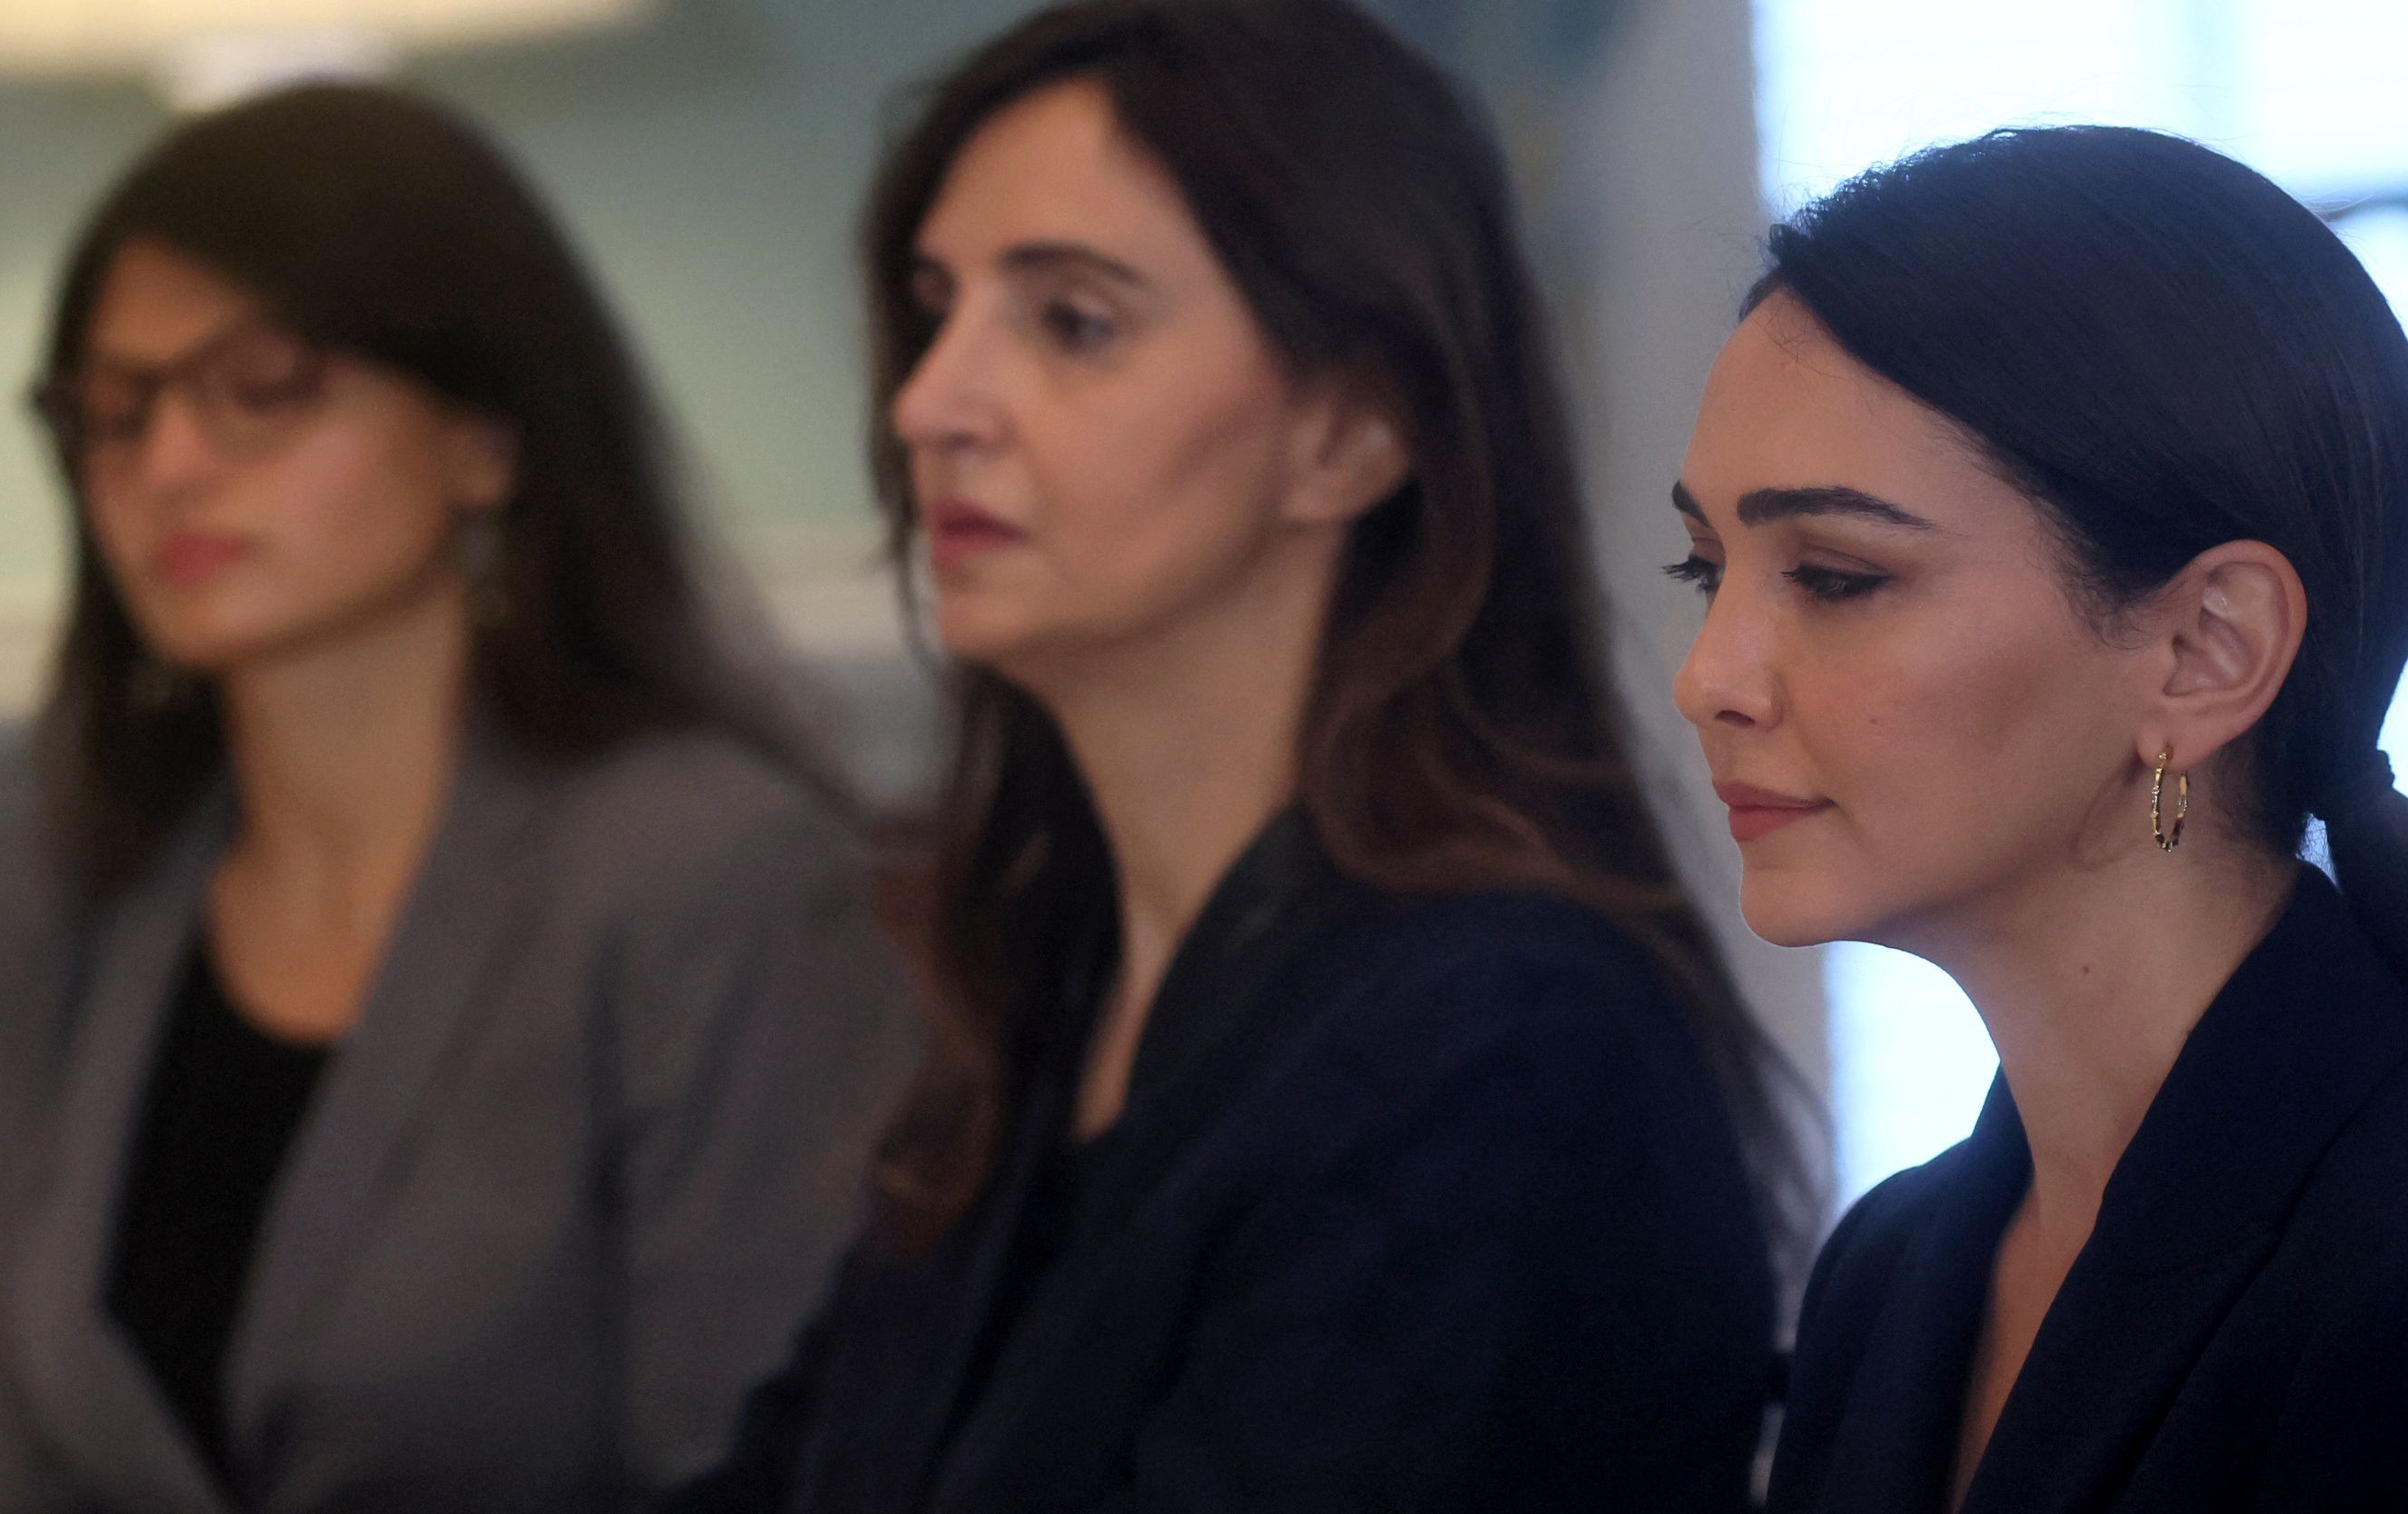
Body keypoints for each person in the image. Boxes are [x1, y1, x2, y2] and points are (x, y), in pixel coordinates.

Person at [665, 1, 1802, 1509]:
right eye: (936, 309)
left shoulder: (1504, 1044)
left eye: (1072, 321)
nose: (931, 402)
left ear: (1352, 429)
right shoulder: (1056, 984)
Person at [0, 84, 917, 1514]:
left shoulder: (714, 876)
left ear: (486, 436)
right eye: (111, 410)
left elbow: (768, 1474)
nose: (164, 466)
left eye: (262, 384)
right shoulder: (42, 864)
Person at [1664, 125, 2408, 1513]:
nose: (1709, 675)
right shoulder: (1888, 1274)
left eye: (1833, 574)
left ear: (2207, 648)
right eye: (1704, 568)